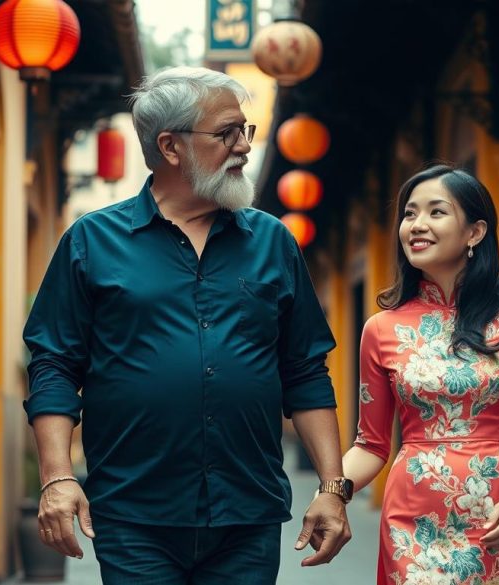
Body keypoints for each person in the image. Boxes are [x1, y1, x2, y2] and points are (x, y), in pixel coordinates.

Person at [22, 66, 351, 584]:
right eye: (227, 133)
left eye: (246, 130)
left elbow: (305, 371)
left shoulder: (272, 242)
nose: (243, 146)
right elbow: (54, 366)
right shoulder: (92, 242)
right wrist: (56, 477)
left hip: (247, 514)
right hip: (134, 514)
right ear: (170, 147)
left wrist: (333, 489)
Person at [342, 165, 499, 584]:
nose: (416, 225)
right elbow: (370, 445)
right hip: (413, 521)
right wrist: (331, 493)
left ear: (475, 232)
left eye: (435, 212)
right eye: (409, 214)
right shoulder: (380, 329)